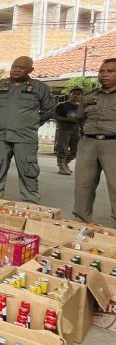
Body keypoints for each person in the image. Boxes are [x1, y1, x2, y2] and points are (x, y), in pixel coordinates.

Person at [0, 56, 53, 203]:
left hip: (25, 138)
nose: (17, 69)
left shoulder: (40, 88)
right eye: (14, 66)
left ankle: (30, 205)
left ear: (30, 70)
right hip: (0, 137)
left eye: (22, 67)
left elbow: (48, 111)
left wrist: (31, 124)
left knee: (28, 172)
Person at [73, 59, 116, 224]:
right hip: (88, 143)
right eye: (102, 71)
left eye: (110, 71)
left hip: (113, 144)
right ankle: (81, 222)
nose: (104, 74)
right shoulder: (89, 97)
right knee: (83, 185)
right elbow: (80, 118)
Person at [52, 87, 83, 175]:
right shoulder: (62, 105)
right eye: (74, 93)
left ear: (81, 96)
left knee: (76, 150)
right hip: (63, 129)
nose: (76, 96)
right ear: (70, 94)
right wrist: (67, 119)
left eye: (78, 94)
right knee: (62, 148)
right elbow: (54, 116)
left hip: (76, 130)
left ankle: (66, 163)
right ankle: (61, 166)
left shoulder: (80, 107)